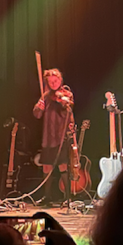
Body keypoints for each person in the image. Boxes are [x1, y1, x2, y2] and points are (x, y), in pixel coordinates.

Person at [33, 67, 76, 196]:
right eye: (50, 82)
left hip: (61, 135)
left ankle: (67, 196)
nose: (53, 84)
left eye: (55, 81)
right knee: (46, 166)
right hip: (48, 136)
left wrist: (63, 100)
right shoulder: (46, 96)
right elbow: (37, 115)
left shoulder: (66, 93)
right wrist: (38, 108)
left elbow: (69, 104)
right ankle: (47, 196)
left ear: (60, 80)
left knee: (63, 165)